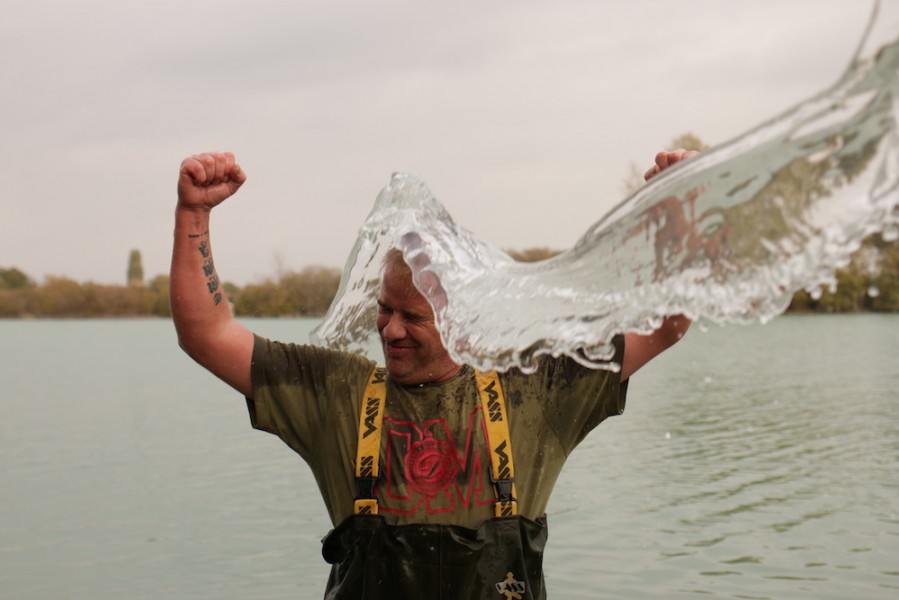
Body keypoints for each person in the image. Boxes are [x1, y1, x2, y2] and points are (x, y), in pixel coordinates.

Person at [171, 149, 694, 599]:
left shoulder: (536, 390)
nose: (390, 331)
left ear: (462, 320)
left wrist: (684, 212)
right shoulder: (335, 393)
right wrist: (193, 212)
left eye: (413, 317)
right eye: (384, 309)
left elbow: (665, 325)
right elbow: (208, 335)